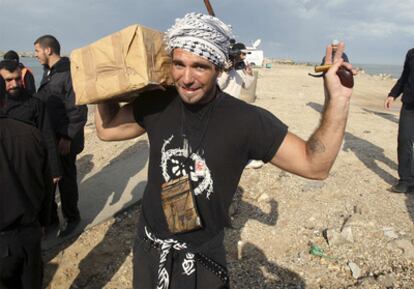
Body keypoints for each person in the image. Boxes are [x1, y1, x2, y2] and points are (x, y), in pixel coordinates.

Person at [95, 13, 354, 289]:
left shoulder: (246, 121)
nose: (186, 78)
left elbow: (315, 165)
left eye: (199, 67)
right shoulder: (156, 103)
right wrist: (104, 84)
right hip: (149, 246)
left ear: (219, 68)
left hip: (202, 256)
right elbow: (107, 129)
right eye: (179, 64)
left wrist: (337, 99)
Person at [34, 35, 88, 237]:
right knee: (50, 180)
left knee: (66, 180)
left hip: (64, 139)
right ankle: (52, 221)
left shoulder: (68, 73)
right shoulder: (50, 72)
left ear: (48, 50)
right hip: (51, 137)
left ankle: (73, 219)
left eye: (37, 51)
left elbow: (79, 110)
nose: (36, 55)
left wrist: (67, 137)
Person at [0, 92, 53, 288]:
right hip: (29, 233)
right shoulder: (31, 133)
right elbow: (47, 186)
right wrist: (44, 222)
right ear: (4, 100)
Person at [0, 60, 61, 184]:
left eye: (17, 79)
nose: (15, 84)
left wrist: (54, 169)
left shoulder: (35, 104)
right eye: (8, 80)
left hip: (29, 166)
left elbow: (48, 136)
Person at [384, 48, 414, 193]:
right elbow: (405, 77)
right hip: (409, 105)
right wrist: (393, 94)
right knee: (404, 140)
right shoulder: (411, 53)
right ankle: (406, 181)